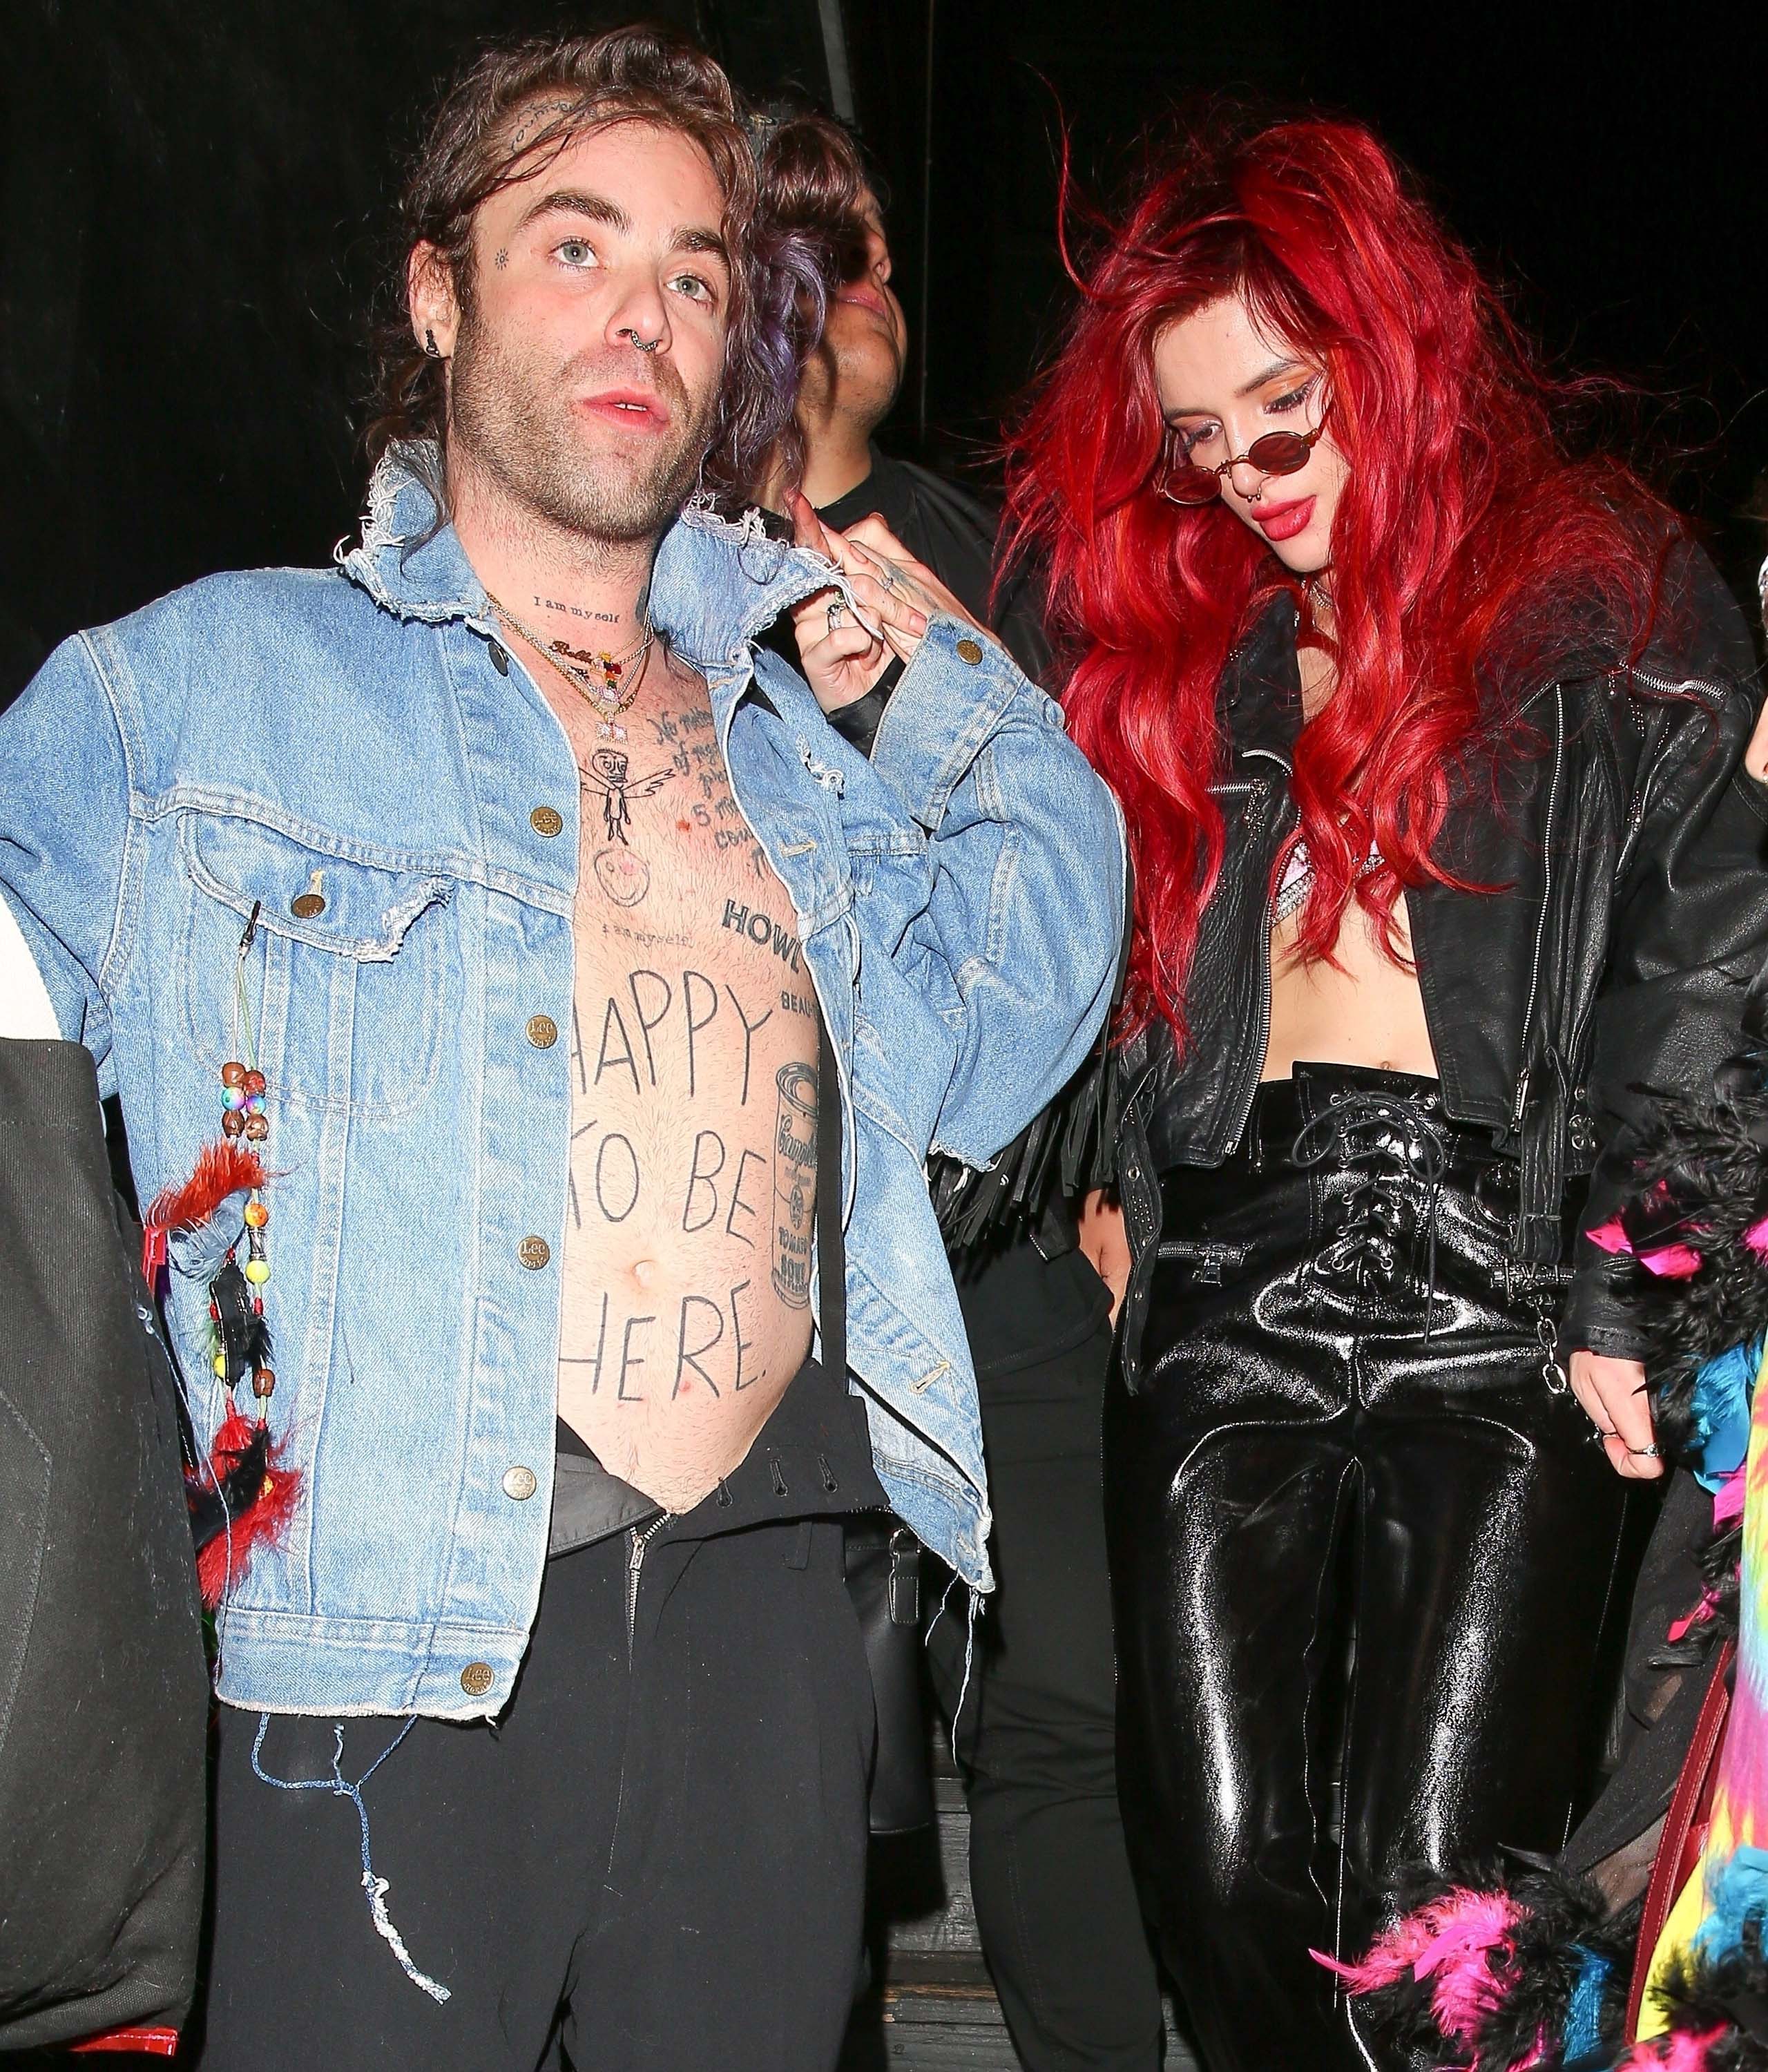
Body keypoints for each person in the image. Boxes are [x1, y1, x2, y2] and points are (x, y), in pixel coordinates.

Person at [0, 28, 1124, 2072]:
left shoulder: (808, 762)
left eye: (696, 273)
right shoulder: (201, 695)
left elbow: (1048, 947)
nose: (645, 315)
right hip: (374, 1645)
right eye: (576, 246)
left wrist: (914, 682)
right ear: (439, 295)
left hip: (771, 1618)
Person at [1004, 113, 1768, 2071]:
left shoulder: (1599, 588)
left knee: (1445, 1883)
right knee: (1218, 1860)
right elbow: (1071, 921)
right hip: (1231, 1256)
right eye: (1202, 438)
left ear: (1396, 352)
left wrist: (1637, 1269)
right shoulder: (1186, 636)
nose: (1248, 473)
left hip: (1499, 1261)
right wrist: (1112, 1171)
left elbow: (1708, 928)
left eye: (1287, 408)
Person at [755, 107, 1164, 2072]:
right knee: (803, 1731)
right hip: (778, 1244)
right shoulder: (652, 561)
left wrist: (1115, 1178)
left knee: (1074, 1691)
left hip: (1008, 1225)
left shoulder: (1004, 556)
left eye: (885, 254)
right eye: (825, 248)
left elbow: (1111, 871)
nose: (878, 291)